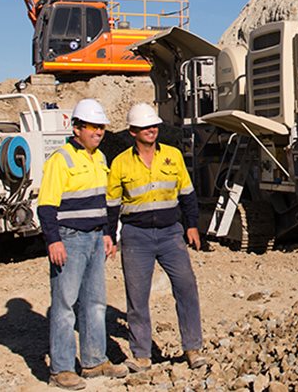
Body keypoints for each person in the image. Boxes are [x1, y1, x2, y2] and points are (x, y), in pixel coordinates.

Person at [107, 103, 207, 372]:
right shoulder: (120, 163)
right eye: (144, 127)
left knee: (186, 287)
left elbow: (187, 194)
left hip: (170, 233)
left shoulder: (173, 156)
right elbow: (112, 205)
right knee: (137, 298)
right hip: (135, 236)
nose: (151, 130)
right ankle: (141, 355)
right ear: (132, 131)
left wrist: (192, 225)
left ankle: (193, 348)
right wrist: (109, 236)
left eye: (153, 126)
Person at [37, 99, 128, 390]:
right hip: (69, 238)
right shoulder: (60, 160)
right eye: (92, 127)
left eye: (101, 127)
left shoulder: (99, 158)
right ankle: (61, 369)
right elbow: (47, 206)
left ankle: (94, 360)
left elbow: (102, 203)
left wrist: (107, 233)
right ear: (77, 128)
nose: (98, 132)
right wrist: (54, 241)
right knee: (65, 306)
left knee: (95, 303)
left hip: (94, 238)